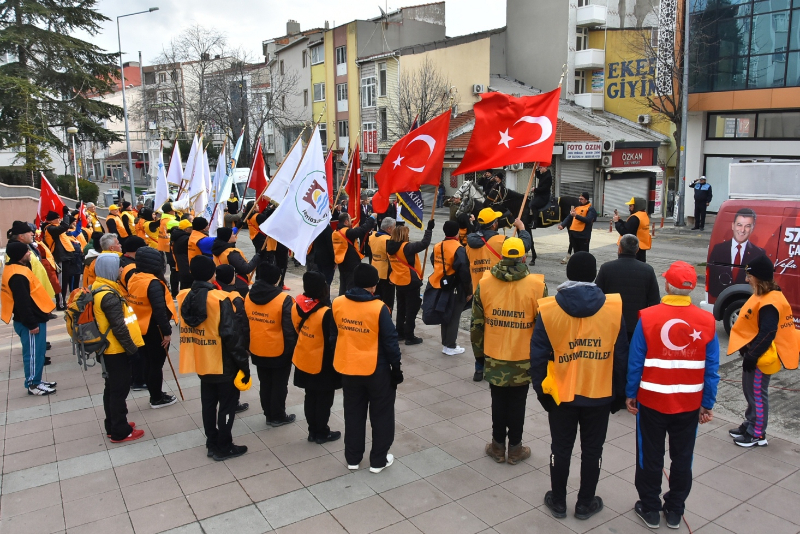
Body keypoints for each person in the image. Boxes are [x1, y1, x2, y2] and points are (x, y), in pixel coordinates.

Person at [530, 252, 629, 522]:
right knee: (593, 451)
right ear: (594, 275)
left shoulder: (549, 309)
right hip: (599, 393)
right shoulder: (613, 309)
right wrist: (619, 395)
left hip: (561, 395)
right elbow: (621, 356)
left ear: (568, 274)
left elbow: (537, 357)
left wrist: (542, 392)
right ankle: (585, 503)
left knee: (560, 449)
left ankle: (558, 501)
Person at [625, 261, 719, 529]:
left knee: (649, 455)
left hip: (652, 401)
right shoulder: (707, 321)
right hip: (689, 404)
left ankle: (650, 508)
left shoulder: (648, 317)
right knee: (683, 458)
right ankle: (675, 510)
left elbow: (636, 362)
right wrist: (707, 403)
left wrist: (631, 393)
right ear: (692, 288)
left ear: (667, 285)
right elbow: (712, 368)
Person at [471, 237, 544, 465]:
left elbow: (476, 325)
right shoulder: (537, 286)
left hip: (494, 353)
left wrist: (479, 356)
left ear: (501, 256)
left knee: (498, 401)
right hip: (524, 357)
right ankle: (515, 449)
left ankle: (497, 446)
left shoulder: (485, 283)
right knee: (518, 403)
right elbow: (543, 329)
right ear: (523, 257)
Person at [178, 256, 250, 460]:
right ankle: (224, 446)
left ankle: (212, 442)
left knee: (208, 405)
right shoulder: (220, 299)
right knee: (227, 406)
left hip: (201, 360)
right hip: (222, 362)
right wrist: (243, 365)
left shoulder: (184, 296)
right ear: (212, 274)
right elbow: (231, 336)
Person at [332, 263, 402, 473]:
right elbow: (391, 341)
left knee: (353, 414)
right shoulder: (379, 308)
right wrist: (396, 368)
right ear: (373, 286)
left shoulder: (338, 303)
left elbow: (334, 335)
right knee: (382, 415)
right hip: (376, 369)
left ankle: (353, 458)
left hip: (348, 367)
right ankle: (378, 460)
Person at [727, 255, 797, 447]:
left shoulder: (770, 302)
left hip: (762, 358)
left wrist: (752, 355)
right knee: (750, 391)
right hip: (755, 355)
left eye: (750, 276)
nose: (747, 279)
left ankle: (757, 433)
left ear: (759, 277)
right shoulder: (763, 295)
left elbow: (768, 332)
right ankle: (750, 423)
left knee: (757, 393)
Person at [467, 209, 531, 380]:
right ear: (494, 225)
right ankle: (500, 363)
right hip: (499, 292)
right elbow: (523, 246)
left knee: (479, 331)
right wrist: (522, 228)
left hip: (479, 292)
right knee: (498, 329)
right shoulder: (501, 241)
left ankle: (479, 367)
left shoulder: (469, 244)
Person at [92, 254, 146, 443]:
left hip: (109, 349)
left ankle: (113, 424)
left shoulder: (99, 287)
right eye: (118, 266)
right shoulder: (108, 295)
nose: (122, 269)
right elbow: (119, 327)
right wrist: (132, 351)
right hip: (115, 350)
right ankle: (120, 431)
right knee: (119, 390)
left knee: (111, 388)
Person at [126, 247, 179, 409]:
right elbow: (159, 311)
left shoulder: (134, 278)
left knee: (148, 362)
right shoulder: (153, 283)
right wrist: (167, 332)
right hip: (155, 329)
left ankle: (155, 393)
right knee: (155, 365)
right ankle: (156, 398)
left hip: (139, 327)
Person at [245, 263, 298, 426]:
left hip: (256, 347)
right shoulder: (284, 299)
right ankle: (278, 415)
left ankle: (268, 413)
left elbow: (245, 324)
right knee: (279, 385)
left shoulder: (248, 296)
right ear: (276, 280)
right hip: (279, 349)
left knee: (265, 383)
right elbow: (289, 329)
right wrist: (292, 350)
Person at [292, 271, 342, 443]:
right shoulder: (326, 313)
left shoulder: (297, 305)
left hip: (303, 357)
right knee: (324, 400)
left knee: (310, 396)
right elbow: (332, 340)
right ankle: (322, 432)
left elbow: (296, 330)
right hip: (322, 363)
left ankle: (312, 431)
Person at [1, 242, 57, 395]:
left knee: (38, 353)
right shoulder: (18, 275)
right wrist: (31, 324)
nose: (29, 253)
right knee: (33, 354)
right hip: (29, 322)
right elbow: (22, 303)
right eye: (27, 251)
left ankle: (37, 380)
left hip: (34, 318)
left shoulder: (18, 269)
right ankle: (33, 384)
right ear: (20, 255)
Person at [595, 235, 661, 342]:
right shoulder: (648, 270)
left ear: (620, 248)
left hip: (612, 323)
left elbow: (597, 297)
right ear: (637, 250)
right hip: (637, 325)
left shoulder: (606, 268)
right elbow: (654, 302)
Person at [386, 221, 434, 345]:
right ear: (403, 235)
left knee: (401, 309)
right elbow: (424, 243)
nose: (408, 235)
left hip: (398, 281)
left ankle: (400, 333)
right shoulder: (406, 247)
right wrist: (429, 230)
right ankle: (409, 336)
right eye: (407, 234)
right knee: (411, 310)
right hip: (410, 282)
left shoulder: (390, 247)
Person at [430, 220, 471, 355]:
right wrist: (469, 291)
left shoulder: (438, 245)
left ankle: (446, 343)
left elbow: (433, 260)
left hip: (441, 283)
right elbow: (464, 272)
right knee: (454, 317)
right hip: (455, 287)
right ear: (457, 232)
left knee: (446, 315)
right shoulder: (459, 248)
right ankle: (450, 346)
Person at [707, 208, 766, 297]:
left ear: (752, 228)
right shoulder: (718, 249)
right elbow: (711, 281)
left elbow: (761, 285)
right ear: (733, 225)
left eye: (747, 226)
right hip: (721, 300)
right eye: (739, 225)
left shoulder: (759, 254)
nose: (742, 230)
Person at [42, 208, 82, 309]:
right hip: (60, 257)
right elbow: (65, 226)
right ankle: (60, 303)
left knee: (65, 281)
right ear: (52, 220)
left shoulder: (56, 228)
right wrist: (66, 214)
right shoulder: (50, 228)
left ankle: (63, 301)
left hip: (65, 257)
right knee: (60, 282)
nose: (59, 220)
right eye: (58, 218)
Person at [332, 212, 376, 296]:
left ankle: (341, 300)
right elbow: (362, 230)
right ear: (346, 222)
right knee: (350, 286)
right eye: (350, 219)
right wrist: (372, 218)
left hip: (341, 262)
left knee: (343, 285)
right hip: (351, 263)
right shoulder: (347, 232)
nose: (351, 221)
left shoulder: (335, 233)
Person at [370, 217, 396, 311]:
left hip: (374, 270)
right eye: (394, 227)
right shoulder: (388, 239)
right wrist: (393, 274)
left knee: (376, 298)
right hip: (386, 273)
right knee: (388, 300)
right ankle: (386, 316)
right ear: (389, 228)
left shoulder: (372, 236)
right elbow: (392, 259)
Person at [613, 197, 651, 262]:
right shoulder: (644, 215)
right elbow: (631, 226)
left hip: (632, 248)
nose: (629, 208)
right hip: (641, 246)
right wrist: (620, 221)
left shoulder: (635, 217)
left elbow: (625, 232)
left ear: (637, 206)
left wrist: (616, 223)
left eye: (631, 206)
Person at [159, 203, 180, 295]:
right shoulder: (170, 221)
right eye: (173, 210)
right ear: (169, 211)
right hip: (171, 248)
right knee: (175, 270)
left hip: (166, 247)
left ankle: (174, 292)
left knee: (173, 270)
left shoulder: (164, 219)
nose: (175, 212)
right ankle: (175, 292)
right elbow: (184, 226)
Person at [310, 222, 336, 286]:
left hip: (318, 257)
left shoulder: (317, 228)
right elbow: (330, 246)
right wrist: (334, 260)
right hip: (327, 259)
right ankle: (325, 292)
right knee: (327, 281)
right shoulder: (327, 229)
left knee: (321, 279)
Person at [171, 219, 193, 290]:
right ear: (186, 229)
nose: (192, 229)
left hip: (181, 266)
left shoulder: (177, 237)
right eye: (190, 228)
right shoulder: (186, 239)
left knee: (184, 288)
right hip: (186, 267)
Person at [529, 164, 553, 229]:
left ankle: (535, 222)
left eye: (540, 168)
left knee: (534, 205)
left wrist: (535, 189)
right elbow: (538, 176)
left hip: (544, 196)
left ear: (545, 167)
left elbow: (544, 188)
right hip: (539, 195)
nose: (540, 169)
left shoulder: (548, 177)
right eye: (539, 168)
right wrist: (536, 168)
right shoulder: (544, 174)